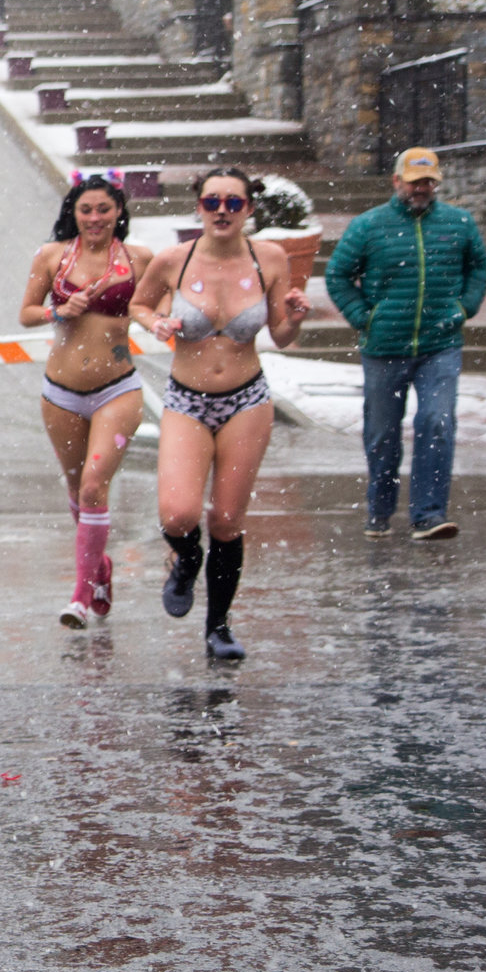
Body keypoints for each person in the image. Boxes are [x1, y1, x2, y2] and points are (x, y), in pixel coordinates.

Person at [129, 168, 311, 661]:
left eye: (234, 203)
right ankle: (186, 561)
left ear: (249, 209)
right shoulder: (173, 260)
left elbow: (280, 333)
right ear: (199, 207)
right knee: (179, 513)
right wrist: (158, 321)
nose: (222, 211)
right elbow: (139, 306)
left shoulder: (269, 257)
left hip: (246, 400)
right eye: (213, 202)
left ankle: (218, 628)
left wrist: (293, 317)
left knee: (227, 519)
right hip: (187, 399)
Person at [325, 147, 486, 541]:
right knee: (382, 434)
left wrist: (464, 307)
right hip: (384, 348)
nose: (423, 188)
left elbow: (479, 265)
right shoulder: (368, 226)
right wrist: (367, 318)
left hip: (440, 344)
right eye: (415, 181)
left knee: (437, 421)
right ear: (396, 181)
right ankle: (380, 509)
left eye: (429, 181)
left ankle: (428, 515)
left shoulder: (458, 223)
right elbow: (338, 275)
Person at [17, 177, 156, 628]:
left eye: (103, 209)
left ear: (119, 211)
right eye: (85, 210)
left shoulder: (140, 260)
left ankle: (79, 594)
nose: (94, 218)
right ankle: (100, 568)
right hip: (60, 393)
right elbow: (26, 313)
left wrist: (162, 319)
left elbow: (158, 305)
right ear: (73, 213)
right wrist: (60, 310)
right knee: (78, 491)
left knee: (95, 485)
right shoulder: (52, 256)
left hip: (119, 389)